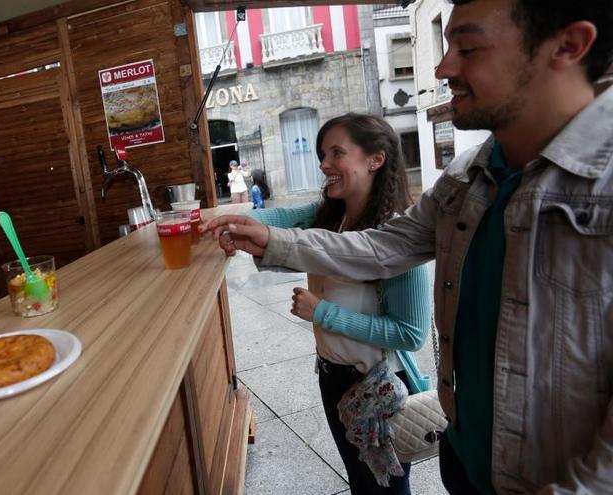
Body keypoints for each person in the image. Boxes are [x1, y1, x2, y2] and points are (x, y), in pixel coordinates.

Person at [203, 1, 613, 492]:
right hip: (466, 463)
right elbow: (380, 249)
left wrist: (319, 308)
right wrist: (268, 237)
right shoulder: (468, 177)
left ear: (567, 46)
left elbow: (406, 328)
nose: (442, 67)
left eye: (467, 47)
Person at [244, 114, 431, 494]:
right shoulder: (333, 215)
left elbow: (410, 334)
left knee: (384, 488)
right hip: (333, 377)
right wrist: (222, 226)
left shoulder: (395, 236)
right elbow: (275, 219)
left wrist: (322, 312)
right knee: (362, 483)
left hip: (373, 386)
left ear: (375, 159)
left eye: (337, 153)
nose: (323, 164)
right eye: (322, 153)